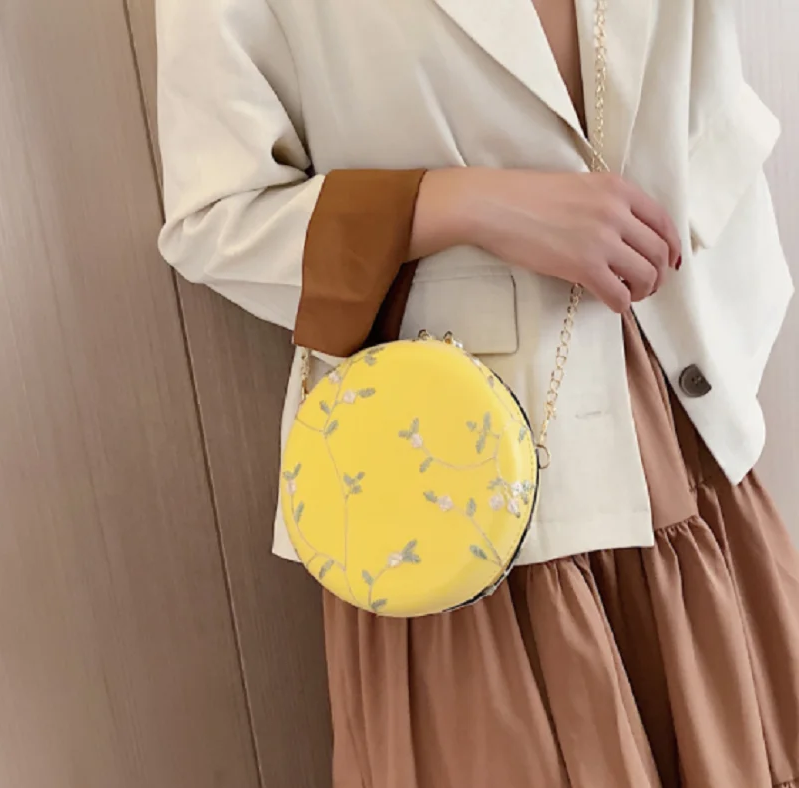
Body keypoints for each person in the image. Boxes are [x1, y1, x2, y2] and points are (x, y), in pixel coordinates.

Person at [155, 0, 798, 785]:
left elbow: (713, 127)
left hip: (680, 442)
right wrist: (471, 204)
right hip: (453, 514)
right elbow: (216, 219)